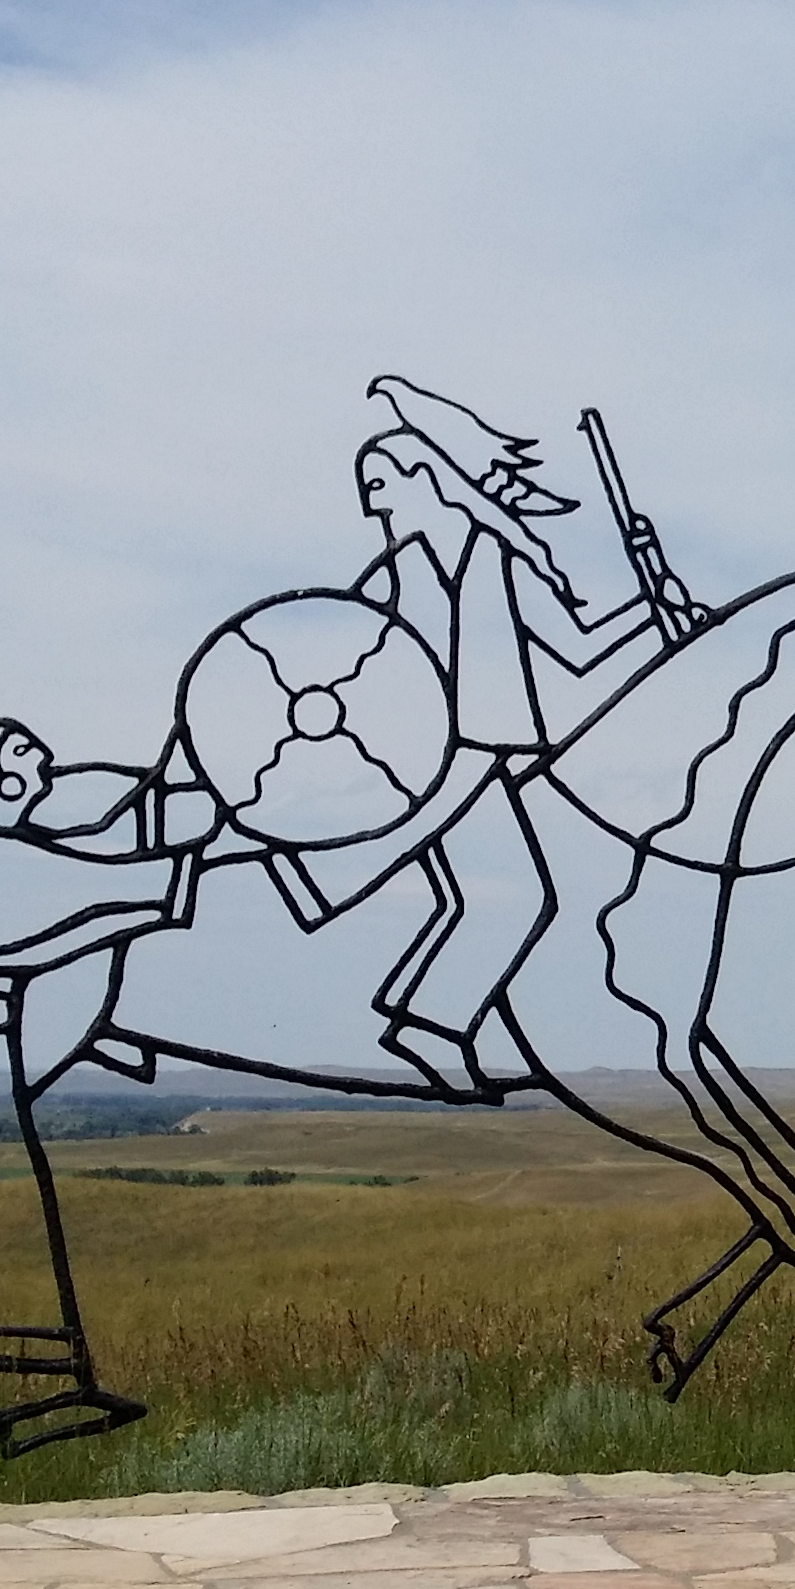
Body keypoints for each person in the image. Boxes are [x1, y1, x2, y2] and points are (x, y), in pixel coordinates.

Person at [271, 376, 678, 1094]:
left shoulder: (500, 558)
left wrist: (652, 603)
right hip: (436, 759)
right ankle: (405, 997)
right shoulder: (394, 576)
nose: (372, 505)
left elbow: (580, 649)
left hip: (485, 750)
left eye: (380, 484)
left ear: (424, 475)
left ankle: (426, 1020)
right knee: (508, 894)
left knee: (514, 899)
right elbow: (354, 664)